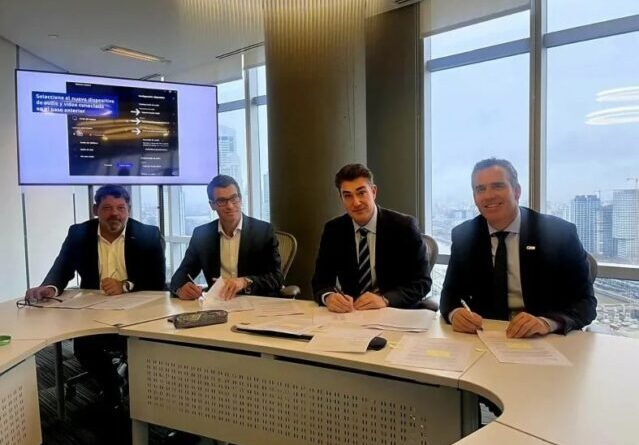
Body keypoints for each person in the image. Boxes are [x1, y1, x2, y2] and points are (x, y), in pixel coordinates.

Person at [24, 184, 166, 408]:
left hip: (137, 312)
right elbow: (62, 268)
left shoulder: (148, 234)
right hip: (93, 312)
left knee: (142, 345)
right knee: (84, 346)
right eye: (107, 208)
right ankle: (113, 386)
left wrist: (125, 285)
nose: (115, 214)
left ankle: (144, 395)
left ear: (129, 209)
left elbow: (157, 280)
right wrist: (50, 287)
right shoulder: (79, 233)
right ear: (95, 210)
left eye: (121, 208)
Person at [440, 158, 597, 338]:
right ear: (475, 197)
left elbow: (585, 303)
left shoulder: (559, 233)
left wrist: (546, 323)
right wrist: (455, 314)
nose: (488, 195)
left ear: (516, 191)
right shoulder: (464, 235)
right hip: (486, 337)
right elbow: (449, 295)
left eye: (497, 186)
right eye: (480, 189)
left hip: (544, 338)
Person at [312, 163, 432, 312]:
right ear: (341, 198)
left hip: (395, 312)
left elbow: (422, 282)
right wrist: (329, 297)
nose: (356, 202)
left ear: (373, 192)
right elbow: (320, 281)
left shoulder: (404, 227)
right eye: (347, 196)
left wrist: (385, 299)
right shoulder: (334, 230)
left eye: (361, 193)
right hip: (352, 314)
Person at [171, 174, 283, 300]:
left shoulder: (263, 231)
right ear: (212, 205)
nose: (230, 206)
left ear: (240, 199)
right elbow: (179, 276)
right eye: (222, 201)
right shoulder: (202, 235)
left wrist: (244, 282)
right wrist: (180, 288)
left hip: (256, 302)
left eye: (234, 198)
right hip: (218, 303)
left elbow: (277, 278)